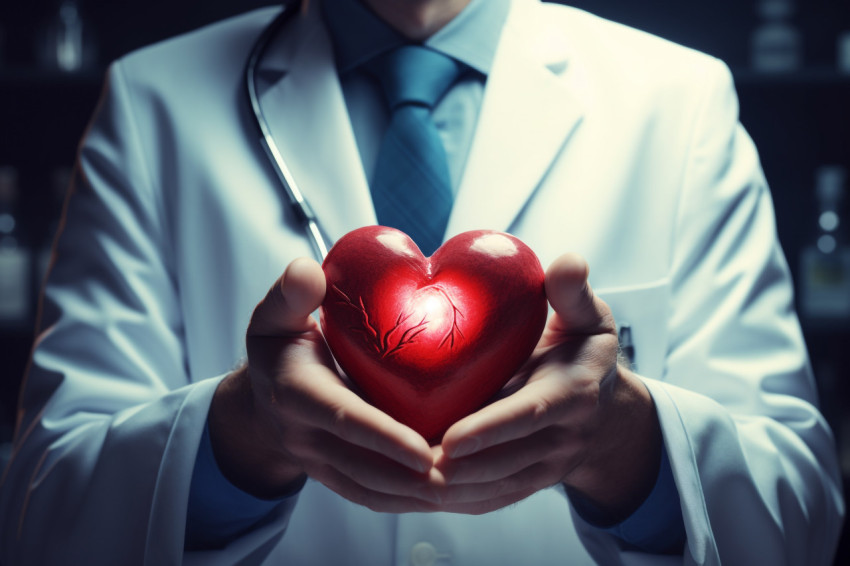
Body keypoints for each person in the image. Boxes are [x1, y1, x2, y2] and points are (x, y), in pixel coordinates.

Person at [0, 0, 844, 563]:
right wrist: (239, 440)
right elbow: (46, 515)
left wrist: (629, 446)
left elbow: (801, 511)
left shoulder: (680, 98)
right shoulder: (153, 102)